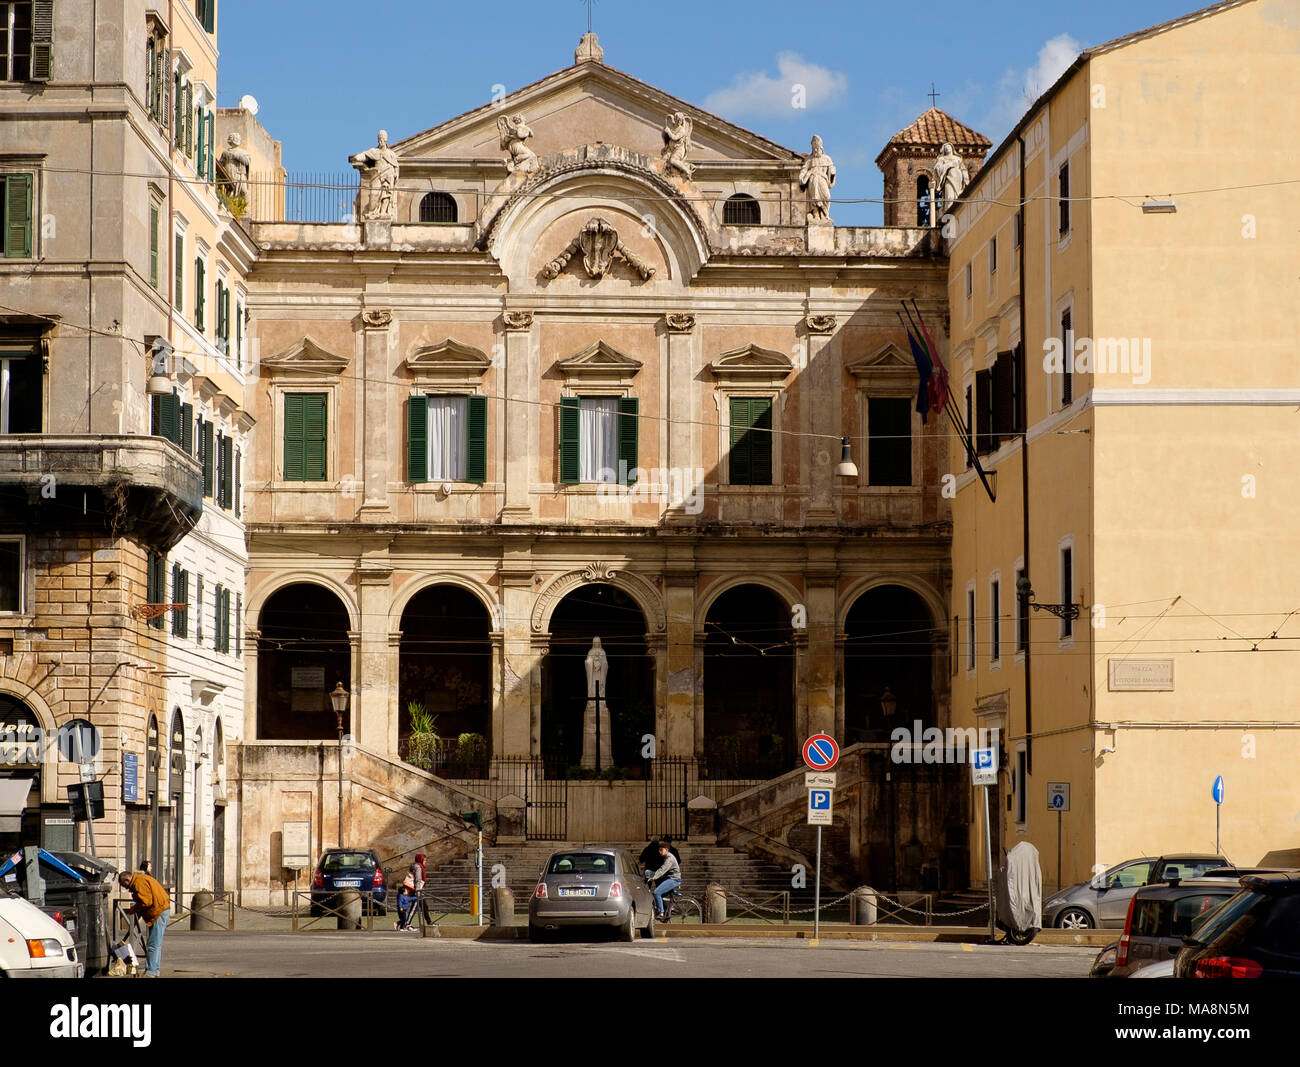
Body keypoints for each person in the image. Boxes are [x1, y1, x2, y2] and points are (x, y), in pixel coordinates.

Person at [117, 870, 170, 978]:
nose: (126, 888)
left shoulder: (138, 883)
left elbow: (146, 901)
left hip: (158, 912)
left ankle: (151, 972)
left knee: (153, 945)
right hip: (160, 910)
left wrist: (134, 909)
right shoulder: (141, 879)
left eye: (124, 885)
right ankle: (154, 970)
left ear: (127, 879)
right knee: (155, 944)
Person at [644, 842, 682, 921]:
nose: (659, 851)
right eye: (659, 850)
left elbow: (662, 870)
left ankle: (661, 912)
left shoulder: (669, 859)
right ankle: (669, 908)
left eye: (661, 850)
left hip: (674, 879)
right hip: (669, 877)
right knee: (662, 894)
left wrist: (653, 877)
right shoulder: (666, 857)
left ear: (666, 850)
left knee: (656, 892)